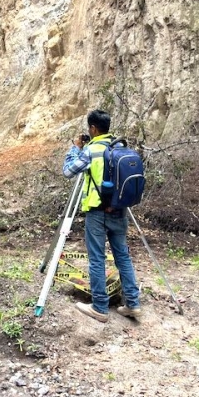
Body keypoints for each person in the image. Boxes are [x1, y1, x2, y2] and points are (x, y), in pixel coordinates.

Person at [62, 109, 141, 322]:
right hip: (119, 210)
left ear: (93, 129)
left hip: (97, 212)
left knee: (96, 258)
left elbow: (69, 171)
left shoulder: (91, 150)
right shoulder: (121, 147)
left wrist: (75, 148)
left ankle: (99, 307)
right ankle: (132, 304)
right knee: (122, 257)